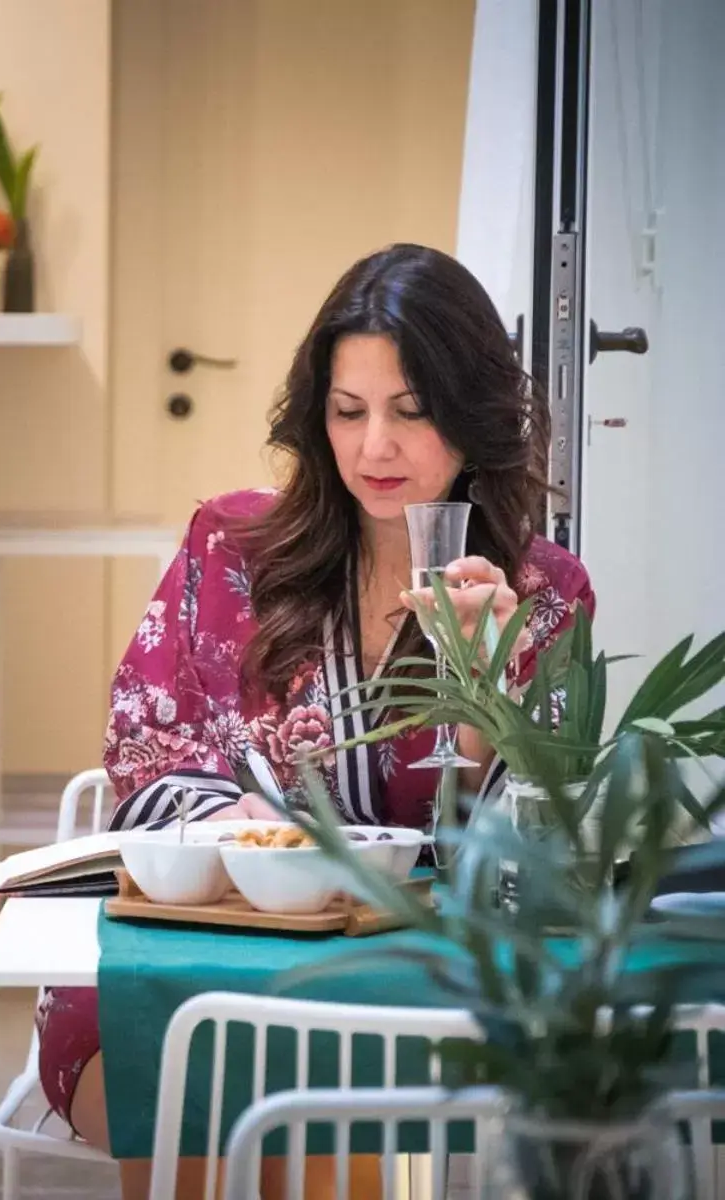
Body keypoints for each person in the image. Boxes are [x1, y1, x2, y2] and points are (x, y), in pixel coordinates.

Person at [38, 243, 595, 1190]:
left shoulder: (541, 594)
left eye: (411, 412)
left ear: (474, 417)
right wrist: (233, 828)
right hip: (198, 951)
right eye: (349, 412)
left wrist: (486, 695)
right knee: (206, 1089)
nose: (374, 446)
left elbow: (533, 858)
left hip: (414, 989)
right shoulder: (234, 546)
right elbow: (143, 751)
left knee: (316, 1091)